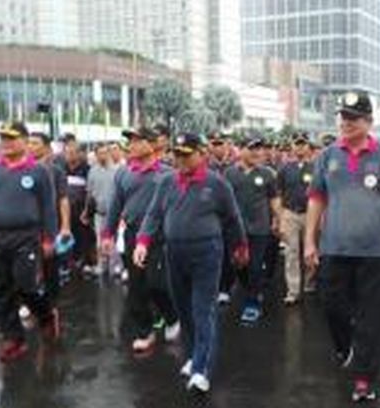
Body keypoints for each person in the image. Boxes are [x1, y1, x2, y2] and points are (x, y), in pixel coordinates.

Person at [305, 91, 380, 402]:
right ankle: (347, 347)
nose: (346, 123)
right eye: (343, 117)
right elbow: (316, 200)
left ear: (369, 122)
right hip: (335, 248)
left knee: (372, 316)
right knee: (332, 305)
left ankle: (364, 377)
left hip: (377, 253)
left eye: (354, 118)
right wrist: (310, 241)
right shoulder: (328, 156)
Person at [135, 133, 247, 393]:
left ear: (201, 154)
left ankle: (201, 369)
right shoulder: (166, 182)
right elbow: (154, 213)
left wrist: (240, 246)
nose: (181, 159)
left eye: (187, 154)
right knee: (183, 308)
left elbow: (232, 218)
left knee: (202, 309)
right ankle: (193, 355)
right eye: (177, 154)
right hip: (174, 252)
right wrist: (143, 241)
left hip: (206, 251)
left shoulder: (216, 184)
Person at [101, 127, 181, 354]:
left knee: (158, 283)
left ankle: (172, 316)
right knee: (136, 287)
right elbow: (115, 207)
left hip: (160, 236)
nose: (132, 145)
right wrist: (108, 235)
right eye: (130, 141)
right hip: (132, 235)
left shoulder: (167, 174)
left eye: (138, 140)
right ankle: (145, 332)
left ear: (153, 144)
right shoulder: (124, 174)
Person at [0, 122, 58, 362]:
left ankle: (46, 315)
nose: (6, 143)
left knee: (26, 285)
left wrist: (50, 238)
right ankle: (14, 339)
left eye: (12, 138)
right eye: (3, 138)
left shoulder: (37, 171)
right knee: (1, 290)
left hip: (26, 237)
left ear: (24, 140)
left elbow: (48, 207)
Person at [225, 136, 281, 323]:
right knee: (239, 265)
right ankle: (250, 289)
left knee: (255, 266)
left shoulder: (267, 174)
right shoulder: (229, 173)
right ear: (240, 150)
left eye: (259, 149)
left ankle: (253, 302)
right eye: (252, 149)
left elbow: (274, 199)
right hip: (235, 230)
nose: (257, 153)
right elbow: (224, 201)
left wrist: (277, 219)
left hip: (259, 228)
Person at [27, 132, 71, 318]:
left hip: (49, 227)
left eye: (35, 143)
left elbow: (63, 200)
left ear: (46, 147)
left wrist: (65, 226)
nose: (31, 146)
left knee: (49, 268)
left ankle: (52, 305)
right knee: (27, 268)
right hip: (27, 228)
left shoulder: (56, 171)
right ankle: (30, 303)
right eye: (29, 142)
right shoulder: (23, 170)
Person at [277, 132, 315, 305]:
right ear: (292, 146)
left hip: (310, 214)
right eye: (297, 143)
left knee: (310, 250)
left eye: (303, 144)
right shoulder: (284, 168)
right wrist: (279, 218)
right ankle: (292, 291)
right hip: (290, 213)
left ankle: (309, 283)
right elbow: (278, 194)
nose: (300, 147)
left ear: (308, 147)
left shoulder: (315, 167)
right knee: (291, 253)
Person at [58, 133, 95, 275]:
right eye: (67, 153)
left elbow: (91, 193)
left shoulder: (87, 170)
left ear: (80, 154)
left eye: (73, 152)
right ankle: (66, 263)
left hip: (82, 213)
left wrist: (87, 211)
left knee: (83, 238)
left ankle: (83, 262)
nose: (70, 156)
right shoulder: (61, 170)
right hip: (65, 213)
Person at [84, 143, 119, 277]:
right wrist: (86, 211)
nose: (103, 155)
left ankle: (115, 267)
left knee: (114, 242)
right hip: (99, 213)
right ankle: (101, 265)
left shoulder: (117, 170)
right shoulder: (92, 171)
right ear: (96, 155)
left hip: (115, 213)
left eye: (105, 152)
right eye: (100, 153)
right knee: (99, 241)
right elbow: (89, 193)